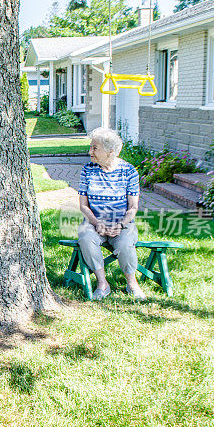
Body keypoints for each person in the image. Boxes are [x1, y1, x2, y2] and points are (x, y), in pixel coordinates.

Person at [77, 128, 147, 301]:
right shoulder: (88, 170)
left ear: (111, 152)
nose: (90, 152)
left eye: (95, 148)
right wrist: (96, 223)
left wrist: (121, 225)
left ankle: (132, 284)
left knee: (125, 243)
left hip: (122, 223)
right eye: (91, 147)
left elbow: (133, 207)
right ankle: (102, 283)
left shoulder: (129, 171)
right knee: (86, 238)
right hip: (94, 222)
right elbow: (83, 206)